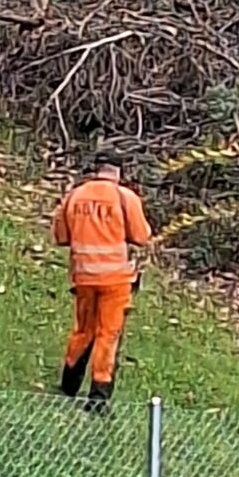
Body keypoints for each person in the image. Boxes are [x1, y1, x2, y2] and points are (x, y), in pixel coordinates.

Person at [51, 148, 151, 408]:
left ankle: (68, 385)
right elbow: (141, 237)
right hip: (116, 279)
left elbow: (61, 236)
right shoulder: (124, 197)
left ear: (95, 169)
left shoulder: (74, 196)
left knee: (84, 330)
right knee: (108, 335)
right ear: (118, 171)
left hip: (83, 277)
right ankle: (98, 396)